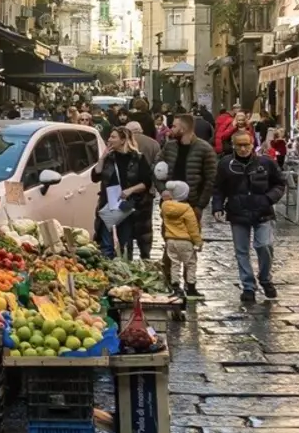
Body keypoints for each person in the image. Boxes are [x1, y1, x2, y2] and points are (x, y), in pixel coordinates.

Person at [210, 127, 285, 305]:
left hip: (262, 211)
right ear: (234, 146)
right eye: (239, 145)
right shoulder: (226, 164)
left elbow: (279, 184)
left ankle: (265, 277)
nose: (243, 149)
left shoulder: (265, 163)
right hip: (237, 212)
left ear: (252, 145)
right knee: (241, 251)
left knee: (264, 245)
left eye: (246, 145)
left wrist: (268, 199)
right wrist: (217, 207)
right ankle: (248, 286)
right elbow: (218, 188)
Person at [92, 126, 155, 259]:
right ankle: (107, 272)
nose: (109, 139)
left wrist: (130, 190)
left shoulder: (138, 159)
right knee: (106, 245)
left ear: (123, 140)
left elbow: (146, 182)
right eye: (109, 136)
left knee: (125, 244)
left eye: (113, 137)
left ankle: (124, 272)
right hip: (108, 204)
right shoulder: (109, 158)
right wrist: (102, 158)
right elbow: (95, 176)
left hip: (127, 206)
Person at [164, 112, 218, 219]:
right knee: (169, 235)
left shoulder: (205, 149)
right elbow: (156, 168)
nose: (171, 129)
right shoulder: (169, 147)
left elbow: (211, 179)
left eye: (174, 126)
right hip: (170, 203)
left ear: (183, 129)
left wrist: (200, 206)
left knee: (192, 235)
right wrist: (162, 191)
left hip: (192, 205)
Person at [160, 180, 202, 297]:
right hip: (185, 241)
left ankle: (175, 287)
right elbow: (193, 227)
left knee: (175, 263)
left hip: (171, 241)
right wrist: (198, 242)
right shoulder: (187, 209)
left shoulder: (165, 206)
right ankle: (191, 287)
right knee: (190, 264)